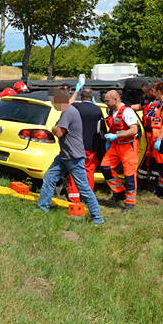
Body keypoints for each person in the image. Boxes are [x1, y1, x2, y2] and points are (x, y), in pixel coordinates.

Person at [36, 88, 104, 224]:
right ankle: (42, 207)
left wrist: (56, 129)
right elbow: (57, 128)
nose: (52, 103)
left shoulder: (68, 112)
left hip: (74, 157)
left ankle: (97, 217)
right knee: (49, 177)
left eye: (53, 100)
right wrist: (56, 128)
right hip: (64, 155)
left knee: (83, 187)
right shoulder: (66, 111)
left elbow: (59, 132)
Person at [99, 89, 139, 211]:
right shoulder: (112, 111)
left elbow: (134, 130)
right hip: (115, 145)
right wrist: (110, 139)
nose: (106, 103)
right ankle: (119, 192)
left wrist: (116, 136)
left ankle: (130, 202)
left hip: (128, 146)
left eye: (107, 101)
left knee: (129, 174)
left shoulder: (127, 111)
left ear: (116, 99)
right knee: (105, 167)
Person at [66, 87, 103, 205]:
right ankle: (88, 198)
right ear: (92, 98)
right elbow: (101, 129)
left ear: (81, 98)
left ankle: (74, 198)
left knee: (75, 170)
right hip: (91, 146)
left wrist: (75, 92)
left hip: (76, 145)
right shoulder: (97, 110)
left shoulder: (76, 107)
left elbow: (67, 105)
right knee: (89, 171)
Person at [131, 82, 159, 190]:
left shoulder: (160, 101)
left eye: (146, 92)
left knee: (154, 158)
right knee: (144, 155)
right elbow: (141, 106)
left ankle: (153, 182)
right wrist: (126, 108)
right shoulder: (146, 99)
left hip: (155, 132)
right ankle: (142, 180)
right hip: (146, 132)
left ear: (152, 90)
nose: (145, 94)